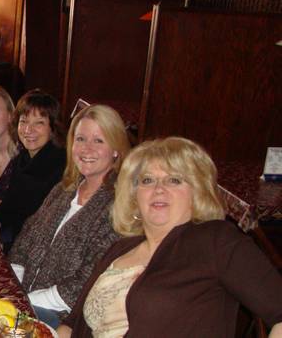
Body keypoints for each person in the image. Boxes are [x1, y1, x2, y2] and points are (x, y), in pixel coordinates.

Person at [58, 137, 282, 338]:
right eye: (147, 180)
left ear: (197, 192)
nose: (159, 189)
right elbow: (71, 325)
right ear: (134, 195)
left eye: (174, 180)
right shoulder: (120, 249)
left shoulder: (215, 240)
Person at [8, 104, 130, 328]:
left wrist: (23, 301)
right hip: (24, 298)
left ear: (116, 149)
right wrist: (12, 285)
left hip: (62, 316)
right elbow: (27, 235)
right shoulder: (65, 189)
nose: (86, 149)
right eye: (81, 139)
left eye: (99, 141)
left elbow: (87, 280)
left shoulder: (118, 206)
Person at [0, 89, 67, 252]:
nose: (28, 130)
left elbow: (38, 228)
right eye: (23, 121)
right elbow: (10, 202)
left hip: (30, 250)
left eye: (39, 123)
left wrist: (5, 245)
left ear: (53, 128)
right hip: (12, 238)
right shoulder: (24, 157)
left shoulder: (58, 166)